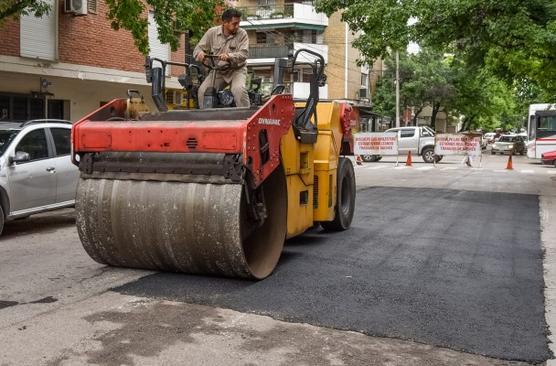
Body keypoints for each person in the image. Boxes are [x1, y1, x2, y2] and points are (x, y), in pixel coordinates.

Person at [194, 8, 250, 108]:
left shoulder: (242, 34)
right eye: (234, 23)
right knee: (203, 91)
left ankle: (246, 118)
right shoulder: (211, 32)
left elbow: (244, 54)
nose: (238, 26)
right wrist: (200, 53)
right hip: (218, 71)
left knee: (238, 90)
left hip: (236, 70)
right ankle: (206, 119)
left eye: (238, 23)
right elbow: (198, 49)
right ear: (225, 22)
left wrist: (229, 56)